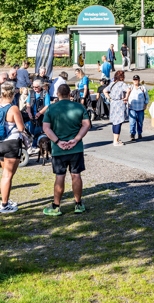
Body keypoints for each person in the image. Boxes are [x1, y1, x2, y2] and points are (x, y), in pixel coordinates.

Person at [41, 83, 91, 215]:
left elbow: (46, 128)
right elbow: (86, 125)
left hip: (58, 149)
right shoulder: (79, 107)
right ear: (69, 94)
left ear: (57, 94)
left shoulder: (51, 108)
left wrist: (58, 141)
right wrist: (76, 139)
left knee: (60, 176)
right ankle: (78, 204)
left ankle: (56, 206)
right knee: (76, 175)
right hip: (76, 148)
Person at [0, 84, 24, 214]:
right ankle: (4, 205)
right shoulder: (13, 108)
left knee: (6, 174)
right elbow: (20, 128)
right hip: (11, 143)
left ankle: (6, 200)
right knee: (7, 175)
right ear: (13, 94)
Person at [106, 71, 129, 146]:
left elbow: (104, 90)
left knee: (114, 122)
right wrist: (126, 97)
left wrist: (109, 98)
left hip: (113, 103)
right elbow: (128, 90)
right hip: (119, 103)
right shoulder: (122, 84)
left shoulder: (112, 83)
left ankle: (115, 139)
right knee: (119, 121)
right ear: (122, 77)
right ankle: (116, 141)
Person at [124, 75, 148, 140]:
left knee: (140, 122)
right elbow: (126, 96)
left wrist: (145, 104)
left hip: (140, 108)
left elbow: (147, 97)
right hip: (132, 108)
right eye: (134, 80)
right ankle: (132, 134)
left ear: (139, 80)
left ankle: (139, 133)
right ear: (132, 80)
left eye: (136, 80)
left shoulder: (142, 88)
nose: (135, 81)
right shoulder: (130, 88)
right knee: (132, 122)